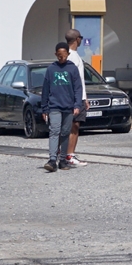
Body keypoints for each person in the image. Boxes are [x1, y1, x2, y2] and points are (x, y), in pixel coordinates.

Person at [40, 43, 86, 172]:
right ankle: (52, 160)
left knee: (65, 132)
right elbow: (45, 90)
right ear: (56, 54)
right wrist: (45, 108)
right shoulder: (51, 69)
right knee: (54, 131)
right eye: (59, 55)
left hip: (69, 106)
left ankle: (63, 160)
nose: (61, 58)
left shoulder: (72, 69)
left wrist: (77, 105)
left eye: (64, 55)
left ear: (68, 54)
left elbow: (78, 88)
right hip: (54, 106)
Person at [62, 29, 88, 168]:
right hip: (74, 98)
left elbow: (81, 80)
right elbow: (71, 80)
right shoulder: (71, 56)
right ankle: (69, 155)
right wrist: (77, 100)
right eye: (81, 38)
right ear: (77, 39)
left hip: (80, 97)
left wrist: (85, 97)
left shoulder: (75, 55)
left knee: (75, 126)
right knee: (73, 126)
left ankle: (67, 153)